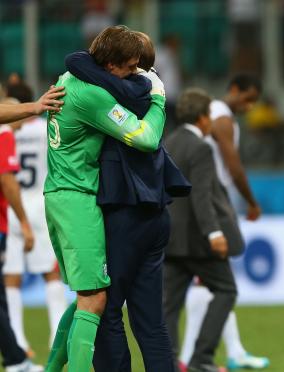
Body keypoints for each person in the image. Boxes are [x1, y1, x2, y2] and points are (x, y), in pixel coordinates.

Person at [63, 31, 191, 371]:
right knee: (151, 323)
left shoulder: (125, 92)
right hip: (156, 214)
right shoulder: (148, 87)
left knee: (104, 311)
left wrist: (85, 59)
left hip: (125, 213)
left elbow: (77, 62)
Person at [43, 25, 166, 372]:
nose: (133, 74)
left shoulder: (69, 75)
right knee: (95, 298)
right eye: (129, 67)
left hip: (61, 193)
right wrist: (157, 99)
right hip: (77, 199)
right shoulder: (92, 96)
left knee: (89, 294)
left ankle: (51, 369)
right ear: (110, 66)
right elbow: (145, 137)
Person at [179, 74, 268, 370]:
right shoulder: (221, 118)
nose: (250, 105)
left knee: (214, 280)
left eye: (254, 100)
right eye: (247, 97)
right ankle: (193, 356)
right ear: (233, 90)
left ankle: (230, 351)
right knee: (216, 279)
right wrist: (252, 201)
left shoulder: (218, 115)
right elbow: (232, 164)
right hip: (210, 202)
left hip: (208, 199)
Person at [163, 88, 244, 372]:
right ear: (200, 118)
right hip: (197, 240)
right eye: (209, 115)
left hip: (169, 238)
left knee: (168, 305)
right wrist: (214, 233)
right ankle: (202, 359)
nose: (211, 121)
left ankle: (169, 362)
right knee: (226, 289)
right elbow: (201, 195)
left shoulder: (167, 142)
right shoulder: (201, 148)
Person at [3, 80, 68, 356]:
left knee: (10, 276)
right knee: (51, 272)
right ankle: (57, 335)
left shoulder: (6, 128)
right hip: (39, 202)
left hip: (10, 205)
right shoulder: (45, 130)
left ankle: (17, 339)